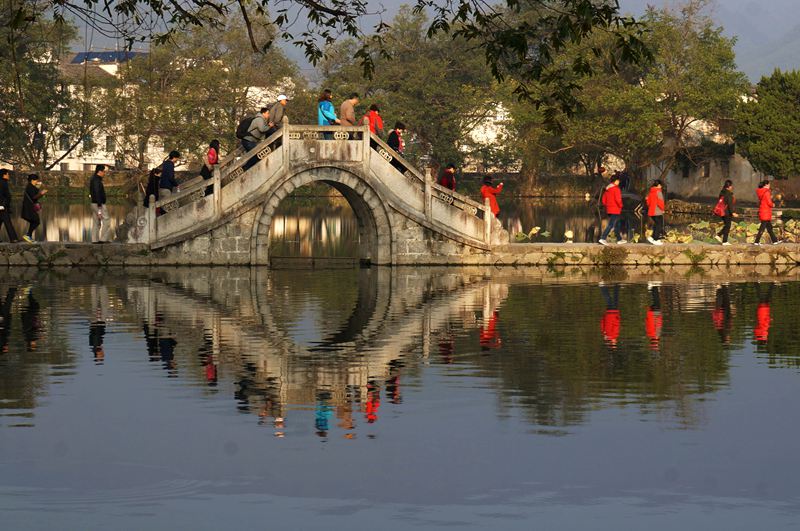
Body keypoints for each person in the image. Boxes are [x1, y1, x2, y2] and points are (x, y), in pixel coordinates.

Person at [598, 174, 624, 245]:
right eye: (618, 181)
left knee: (617, 224)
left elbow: (603, 200)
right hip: (615, 209)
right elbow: (618, 199)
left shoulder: (607, 189)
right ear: (616, 181)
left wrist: (607, 205)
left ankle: (619, 239)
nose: (619, 182)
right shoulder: (616, 189)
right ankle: (603, 238)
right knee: (611, 224)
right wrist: (621, 206)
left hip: (609, 209)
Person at [21, 174, 46, 243]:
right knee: (36, 221)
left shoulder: (31, 186)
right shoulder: (30, 187)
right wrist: (41, 193)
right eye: (36, 180)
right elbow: (34, 197)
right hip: (29, 207)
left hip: (30, 207)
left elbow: (35, 195)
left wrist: (39, 190)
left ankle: (29, 236)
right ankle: (28, 235)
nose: (37, 181)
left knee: (34, 221)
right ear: (32, 180)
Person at [754, 180, 780, 245]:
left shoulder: (761, 192)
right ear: (766, 185)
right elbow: (769, 202)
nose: (770, 186)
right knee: (762, 228)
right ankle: (756, 242)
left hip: (763, 210)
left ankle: (775, 241)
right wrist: (773, 204)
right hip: (766, 211)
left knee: (769, 228)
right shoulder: (766, 192)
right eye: (769, 184)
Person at [89, 164, 110, 243]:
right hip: (99, 204)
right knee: (106, 221)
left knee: (96, 222)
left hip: (94, 203)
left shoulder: (94, 179)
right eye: (104, 171)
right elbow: (97, 193)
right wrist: (100, 208)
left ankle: (94, 240)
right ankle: (103, 239)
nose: (104, 173)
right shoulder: (97, 181)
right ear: (100, 171)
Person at [715, 179, 738, 245]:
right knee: (728, 226)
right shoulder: (728, 194)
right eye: (731, 186)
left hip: (721, 212)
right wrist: (733, 212)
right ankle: (724, 240)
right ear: (729, 186)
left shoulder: (722, 192)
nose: (732, 187)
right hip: (726, 212)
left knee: (726, 225)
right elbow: (730, 204)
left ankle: (720, 237)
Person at [0, 169, 19, 243]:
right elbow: (6, 195)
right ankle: (13, 238)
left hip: (2, 205)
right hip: (2, 206)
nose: (8, 175)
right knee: (8, 222)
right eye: (7, 174)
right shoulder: (3, 182)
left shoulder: (2, 182)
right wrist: (3, 205)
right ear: (4, 175)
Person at [646, 179, 666, 245]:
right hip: (657, 211)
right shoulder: (658, 192)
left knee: (656, 224)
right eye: (661, 185)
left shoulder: (651, 192)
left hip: (651, 211)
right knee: (659, 225)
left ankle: (652, 237)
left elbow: (648, 202)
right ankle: (656, 239)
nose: (661, 187)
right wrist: (662, 209)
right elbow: (661, 202)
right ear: (658, 185)